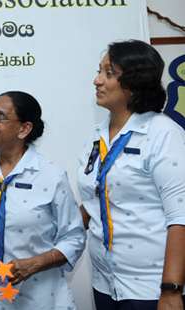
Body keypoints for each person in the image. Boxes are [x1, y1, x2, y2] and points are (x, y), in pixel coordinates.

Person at [78, 40, 185, 310]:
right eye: (99, 71)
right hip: (106, 283)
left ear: (135, 83)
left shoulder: (163, 134)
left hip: (151, 289)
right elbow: (93, 201)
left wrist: (171, 290)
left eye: (108, 73)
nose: (97, 80)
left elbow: (180, 217)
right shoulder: (98, 136)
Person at [0, 91, 85, 309]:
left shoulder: (50, 175)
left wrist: (34, 264)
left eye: (0, 117)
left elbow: (73, 238)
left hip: (40, 298)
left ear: (24, 129)